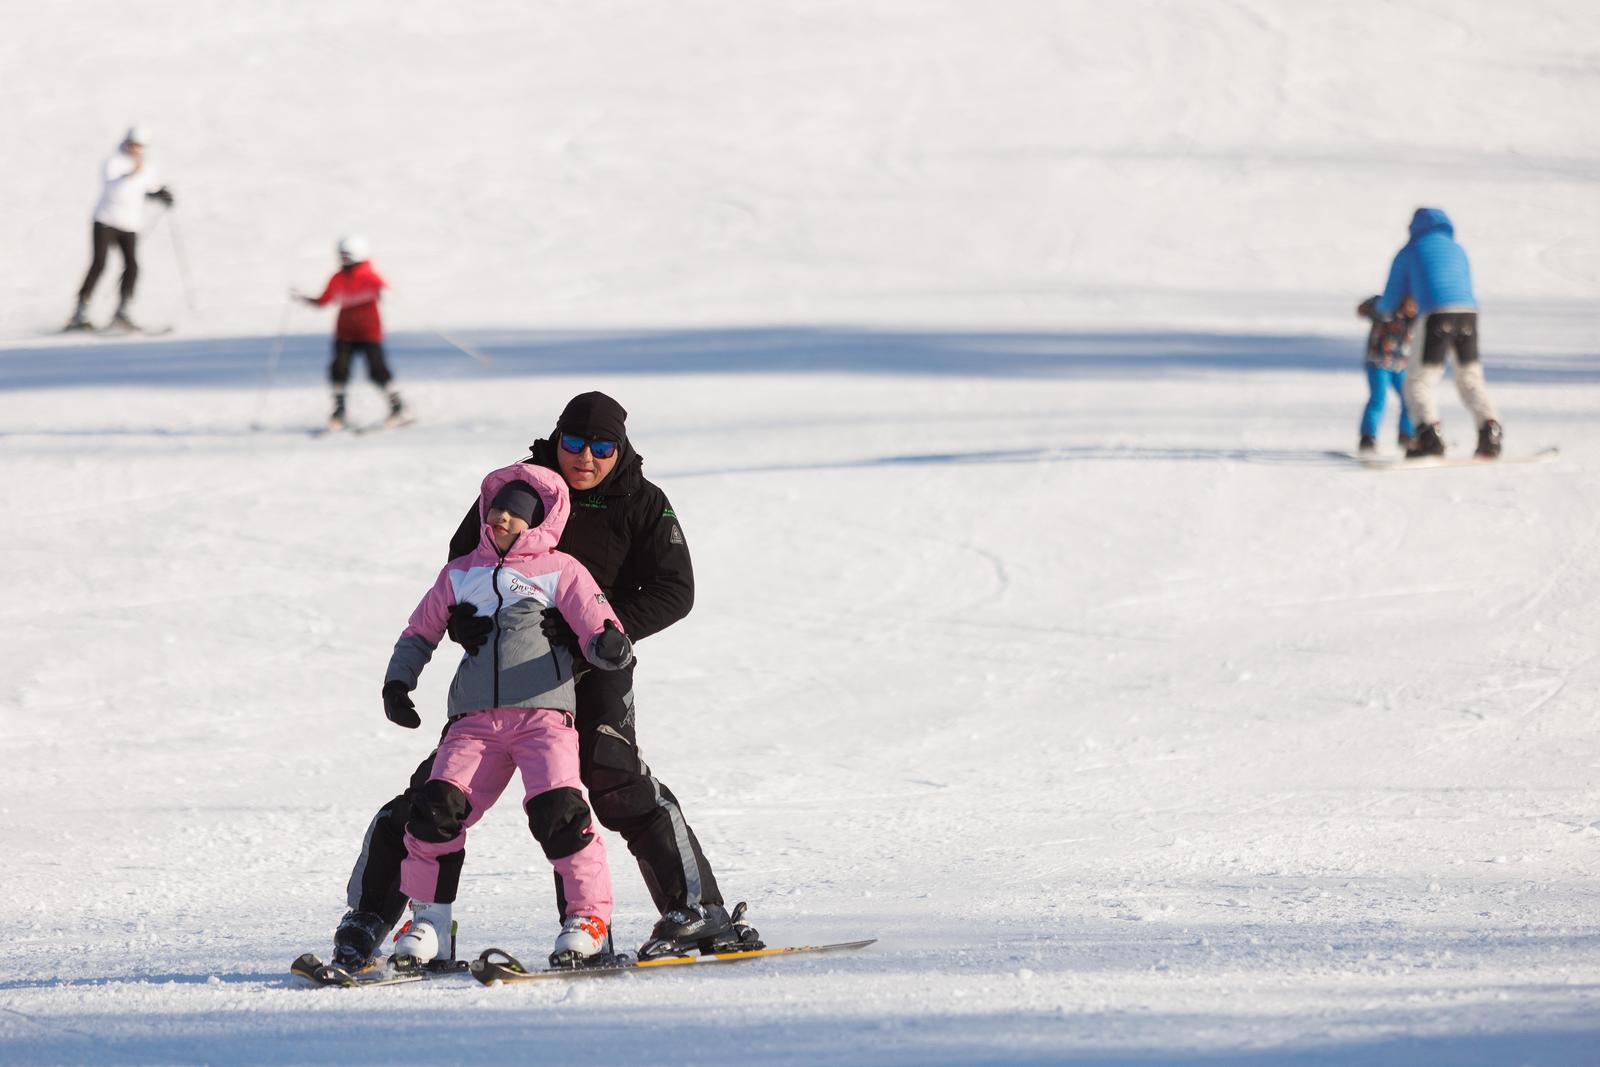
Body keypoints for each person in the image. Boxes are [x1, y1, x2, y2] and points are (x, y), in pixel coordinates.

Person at [333, 391, 759, 969]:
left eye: (602, 447)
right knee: (432, 794)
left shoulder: (643, 501)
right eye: (575, 443)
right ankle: (369, 920)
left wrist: (594, 632)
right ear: (557, 440)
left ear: (621, 448)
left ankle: (691, 911)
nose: (587, 457)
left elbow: (674, 591)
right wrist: (464, 624)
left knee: (610, 780)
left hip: (594, 665)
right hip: (509, 678)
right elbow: (466, 563)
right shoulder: (520, 489)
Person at [380, 463, 635, 966]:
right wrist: (398, 682)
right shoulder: (459, 574)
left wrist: (608, 644)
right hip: (472, 722)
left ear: (536, 523)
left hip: (543, 715)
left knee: (559, 812)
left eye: (514, 514)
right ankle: (430, 922)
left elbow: (600, 625)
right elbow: (419, 631)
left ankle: (588, 919)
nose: (500, 519)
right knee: (435, 812)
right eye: (496, 509)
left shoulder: (561, 569)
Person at [1373, 208, 1502, 459]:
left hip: (1435, 315)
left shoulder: (1410, 250)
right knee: (1470, 378)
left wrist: (1376, 309)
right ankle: (1490, 431)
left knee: (1418, 380)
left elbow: (1390, 301)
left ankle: (1428, 437)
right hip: (1468, 315)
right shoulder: (1458, 250)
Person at [292, 236, 407, 431]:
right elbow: (324, 301)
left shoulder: (369, 275)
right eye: (342, 255)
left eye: (348, 255)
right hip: (344, 334)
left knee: (377, 371)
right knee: (339, 370)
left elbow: (386, 291)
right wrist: (305, 299)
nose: (344, 259)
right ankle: (339, 411)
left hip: (369, 333)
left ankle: (398, 408)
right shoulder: (337, 278)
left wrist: (384, 293)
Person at [67, 125, 174, 332]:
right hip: (105, 220)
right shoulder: (114, 161)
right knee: (99, 264)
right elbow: (114, 185)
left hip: (129, 224)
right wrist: (132, 173)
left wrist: (162, 194)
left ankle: (122, 311)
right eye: (133, 144)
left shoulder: (147, 167)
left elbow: (149, 188)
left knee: (132, 266)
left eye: (139, 146)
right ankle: (81, 311)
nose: (135, 149)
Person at [1355, 294, 1417, 455]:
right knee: (1378, 398)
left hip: (1401, 366)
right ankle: (1368, 437)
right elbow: (1362, 310)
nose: (1412, 308)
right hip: (1378, 362)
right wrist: (1376, 306)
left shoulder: (1417, 318)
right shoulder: (1386, 307)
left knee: (1409, 398)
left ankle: (1407, 435)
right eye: (1410, 304)